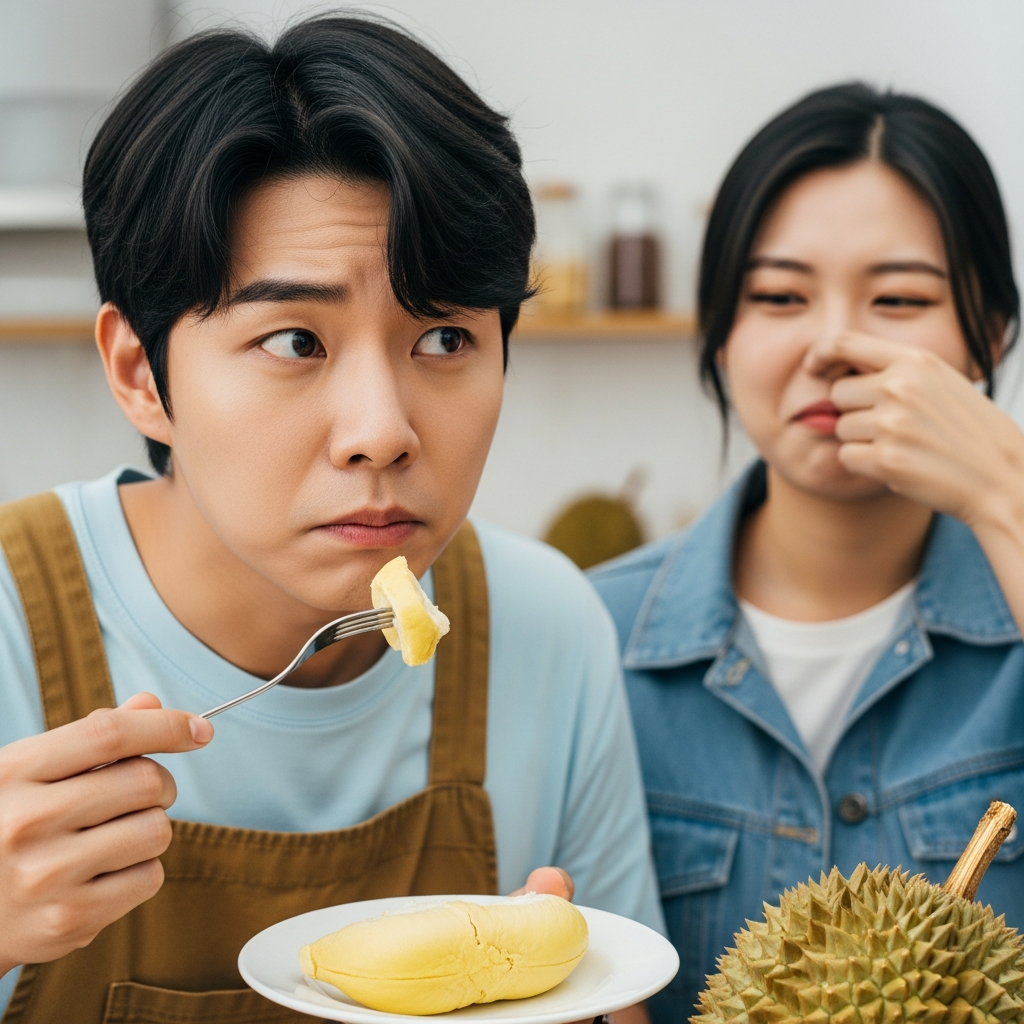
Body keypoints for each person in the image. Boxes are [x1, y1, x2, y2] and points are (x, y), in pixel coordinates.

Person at [0, 15, 661, 1023]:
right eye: (296, 339)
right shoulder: (10, 621)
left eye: (442, 336)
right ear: (141, 373)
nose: (382, 431)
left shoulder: (548, 630)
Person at [591, 83, 1024, 1023]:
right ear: (719, 336)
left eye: (900, 297)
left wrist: (1005, 483)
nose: (834, 344)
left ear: (990, 335)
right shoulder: (588, 636)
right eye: (780, 296)